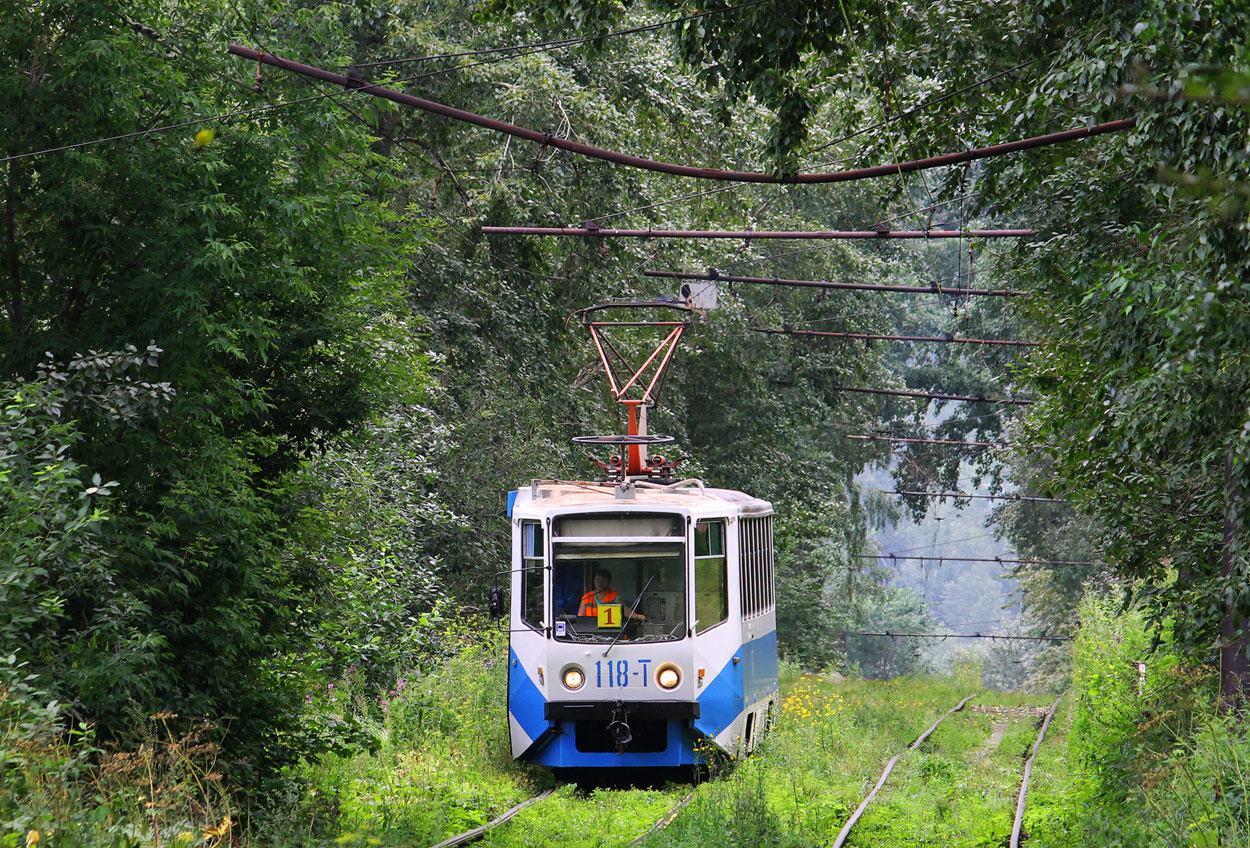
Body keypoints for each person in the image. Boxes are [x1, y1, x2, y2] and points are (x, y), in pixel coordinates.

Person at [578, 568, 645, 621]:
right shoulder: (587, 598)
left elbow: (625, 609)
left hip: (610, 632)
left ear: (609, 582)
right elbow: (580, 618)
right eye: (597, 580)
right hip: (590, 632)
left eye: (603, 580)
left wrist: (635, 616)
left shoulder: (614, 597)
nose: (600, 583)